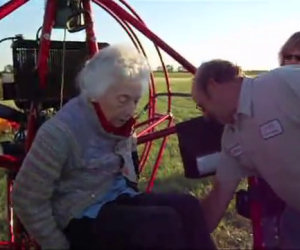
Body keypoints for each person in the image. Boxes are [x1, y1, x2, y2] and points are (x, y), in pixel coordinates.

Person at [12, 44, 215, 250]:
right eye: (123, 99)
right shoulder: (60, 132)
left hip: (115, 197)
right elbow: (25, 197)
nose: (130, 110)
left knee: (188, 206)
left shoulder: (117, 123)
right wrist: (58, 246)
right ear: (95, 92)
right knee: (162, 223)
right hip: (79, 214)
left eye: (135, 101)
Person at [191, 59, 300, 248]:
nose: (205, 115)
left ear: (213, 85)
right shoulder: (232, 138)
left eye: (202, 106)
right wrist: (183, 235)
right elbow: (218, 199)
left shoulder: (282, 82)